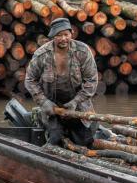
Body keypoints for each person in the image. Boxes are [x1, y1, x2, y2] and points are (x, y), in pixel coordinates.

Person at [25, 17, 98, 146]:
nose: (64, 38)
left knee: (85, 141)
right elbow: (30, 80)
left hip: (78, 106)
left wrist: (75, 102)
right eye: (59, 35)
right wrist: (44, 102)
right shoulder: (42, 54)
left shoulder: (82, 51)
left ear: (72, 34)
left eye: (66, 34)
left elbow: (92, 81)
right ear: (53, 36)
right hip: (53, 107)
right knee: (55, 139)